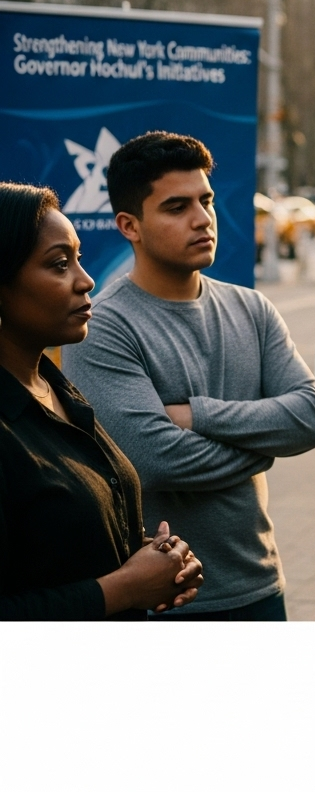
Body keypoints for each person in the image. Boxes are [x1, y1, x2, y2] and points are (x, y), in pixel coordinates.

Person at [63, 132, 315, 621]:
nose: (203, 218)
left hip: (261, 583)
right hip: (166, 598)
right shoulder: (102, 328)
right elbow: (155, 459)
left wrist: (194, 414)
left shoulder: (253, 309)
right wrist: (265, 444)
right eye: (177, 207)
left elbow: (309, 417)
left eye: (205, 200)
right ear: (129, 225)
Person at [0, 182, 203, 620]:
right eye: (58, 264)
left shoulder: (56, 389)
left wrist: (156, 560)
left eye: (79, 258)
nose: (85, 280)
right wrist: (126, 587)